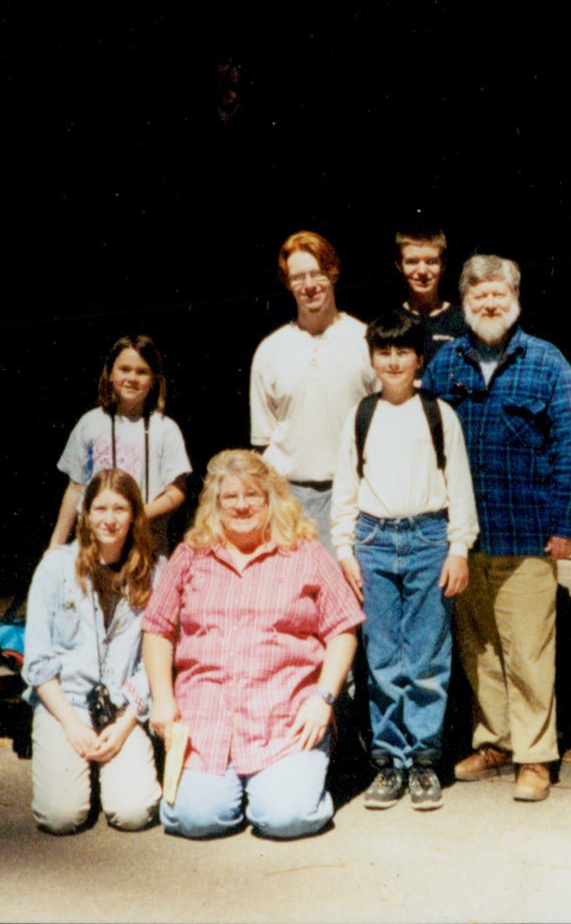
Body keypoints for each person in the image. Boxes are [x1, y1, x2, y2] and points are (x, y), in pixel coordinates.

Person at [420, 254, 571, 802]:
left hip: (528, 534)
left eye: (498, 295)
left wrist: (565, 526)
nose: (489, 304)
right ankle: (495, 740)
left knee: (529, 653)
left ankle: (536, 756)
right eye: (478, 297)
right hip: (465, 539)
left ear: (515, 299)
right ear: (465, 304)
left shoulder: (546, 362)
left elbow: (570, 448)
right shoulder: (445, 366)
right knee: (479, 649)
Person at [142, 450, 363, 840]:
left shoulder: (305, 552)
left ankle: (283, 785)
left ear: (270, 499)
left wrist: (323, 699)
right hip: (205, 721)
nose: (241, 506)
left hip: (284, 721)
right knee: (195, 819)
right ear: (215, 503)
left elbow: (344, 626)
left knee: (286, 818)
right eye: (230, 497)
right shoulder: (191, 555)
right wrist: (162, 698)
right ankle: (238, 791)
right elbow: (157, 628)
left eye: (252, 495)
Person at [331, 308, 479, 810]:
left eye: (403, 352)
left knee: (425, 656)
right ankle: (388, 761)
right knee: (382, 655)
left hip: (427, 539)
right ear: (372, 357)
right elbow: (345, 488)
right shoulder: (361, 415)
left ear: (419, 357)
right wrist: (345, 549)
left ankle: (423, 761)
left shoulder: (439, 414)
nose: (393, 362)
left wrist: (459, 547)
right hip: (374, 542)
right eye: (384, 352)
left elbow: (459, 486)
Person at [22, 469, 163, 834]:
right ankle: (80, 769)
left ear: (134, 515)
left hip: (123, 707)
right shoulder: (55, 567)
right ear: (85, 513)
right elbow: (37, 660)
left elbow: (156, 660)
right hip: (64, 704)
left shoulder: (154, 572)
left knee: (133, 813)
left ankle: (110, 771)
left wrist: (126, 724)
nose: (110, 519)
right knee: (61, 817)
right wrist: (71, 724)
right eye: (100, 508)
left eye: (120, 508)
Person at [250, 231, 378, 551]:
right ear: (288, 283)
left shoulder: (365, 340)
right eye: (298, 277)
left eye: (317, 274)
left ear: (332, 273)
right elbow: (264, 442)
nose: (309, 285)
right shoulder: (270, 350)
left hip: (351, 497)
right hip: (289, 498)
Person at [47, 334, 192, 557]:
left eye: (142, 371)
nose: (132, 378)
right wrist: (55, 545)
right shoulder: (89, 424)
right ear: (110, 373)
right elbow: (75, 488)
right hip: (94, 547)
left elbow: (176, 491)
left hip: (145, 548)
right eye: (124, 369)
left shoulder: (165, 429)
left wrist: (139, 513)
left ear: (153, 378)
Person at [394, 226, 469, 349]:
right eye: (412, 262)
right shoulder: (389, 322)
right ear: (399, 266)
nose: (422, 271)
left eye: (431, 261)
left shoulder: (463, 321)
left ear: (443, 265)